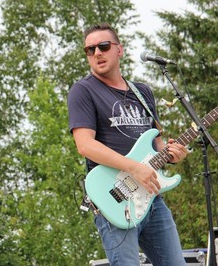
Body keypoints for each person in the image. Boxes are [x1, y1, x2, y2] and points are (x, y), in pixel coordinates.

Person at [67, 23, 189, 265]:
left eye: (103, 46)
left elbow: (156, 142)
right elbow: (85, 146)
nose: (97, 53)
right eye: (90, 50)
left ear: (119, 50)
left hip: (153, 197)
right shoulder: (83, 91)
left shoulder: (143, 92)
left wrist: (173, 153)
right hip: (115, 198)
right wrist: (135, 168)